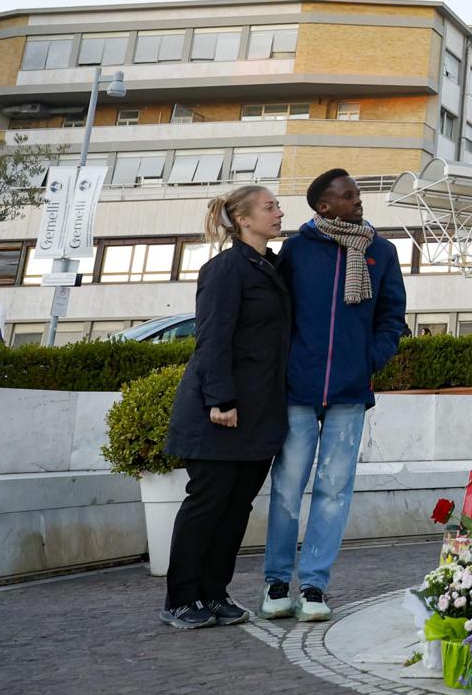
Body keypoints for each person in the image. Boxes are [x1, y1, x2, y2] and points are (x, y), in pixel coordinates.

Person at [261, 168, 407, 621]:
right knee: (287, 487)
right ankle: (277, 580)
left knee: (334, 489)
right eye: (348, 196)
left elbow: (392, 313)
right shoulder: (297, 250)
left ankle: (314, 586)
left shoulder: (380, 251)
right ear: (324, 206)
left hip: (349, 389)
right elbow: (277, 312)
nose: (358, 201)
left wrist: (371, 358)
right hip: (298, 388)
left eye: (358, 194)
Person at [160, 184, 289, 629]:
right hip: (220, 412)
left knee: (237, 508)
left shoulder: (269, 266)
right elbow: (212, 338)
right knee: (207, 503)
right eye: (269, 207)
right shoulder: (225, 269)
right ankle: (180, 599)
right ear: (244, 220)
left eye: (277, 206)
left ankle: (214, 594)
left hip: (258, 413)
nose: (278, 212)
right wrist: (221, 400)